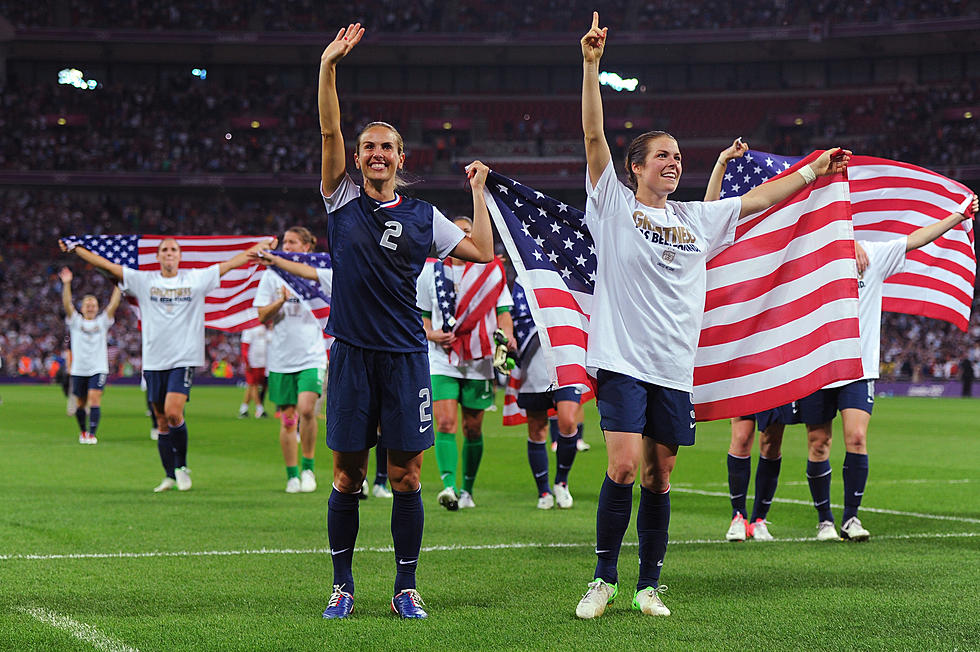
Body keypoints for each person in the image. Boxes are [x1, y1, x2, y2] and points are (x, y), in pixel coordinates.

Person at [574, 12, 851, 620]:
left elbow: (755, 200)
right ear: (635, 168)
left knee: (658, 477)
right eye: (662, 156)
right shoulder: (612, 207)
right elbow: (595, 139)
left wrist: (812, 170)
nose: (674, 162)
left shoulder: (696, 222)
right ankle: (603, 578)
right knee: (622, 467)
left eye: (677, 156)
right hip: (621, 360)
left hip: (675, 369)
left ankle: (649, 584)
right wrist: (592, 64)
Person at [317, 22, 493, 620]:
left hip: (404, 359)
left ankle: (405, 587)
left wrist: (479, 193)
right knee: (346, 477)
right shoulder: (341, 200)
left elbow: (483, 253)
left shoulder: (423, 216)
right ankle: (342, 585)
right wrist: (329, 66)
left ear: (400, 158)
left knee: (408, 478)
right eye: (368, 146)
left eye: (386, 147)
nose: (375, 154)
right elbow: (328, 128)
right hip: (350, 356)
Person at [798, 194, 977, 542]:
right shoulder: (811, 257)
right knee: (818, 442)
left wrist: (958, 214)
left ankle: (851, 519)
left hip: (859, 366)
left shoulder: (873, 254)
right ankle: (824, 521)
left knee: (857, 437)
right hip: (820, 364)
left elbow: (919, 238)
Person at [60, 235, 273, 492]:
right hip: (154, 361)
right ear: (158, 256)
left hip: (183, 358)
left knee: (174, 412)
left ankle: (182, 466)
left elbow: (232, 263)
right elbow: (108, 266)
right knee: (161, 420)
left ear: (180, 256)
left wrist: (258, 248)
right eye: (164, 250)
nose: (169, 253)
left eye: (173, 249)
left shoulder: (195, 278)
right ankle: (169, 475)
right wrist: (77, 249)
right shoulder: (144, 281)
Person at [705, 139, 798, 543]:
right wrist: (723, 163)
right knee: (741, 436)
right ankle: (738, 515)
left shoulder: (784, 248)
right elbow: (707, 215)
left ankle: (760, 517)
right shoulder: (734, 241)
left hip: (775, 349)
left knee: (772, 441)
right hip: (743, 348)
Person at [417, 216, 514, 512]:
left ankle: (468, 489)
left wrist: (506, 336)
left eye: (468, 232)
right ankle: (449, 486)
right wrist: (432, 334)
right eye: (456, 233)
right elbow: (419, 315)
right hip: (441, 358)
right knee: (444, 423)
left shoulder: (489, 272)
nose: (462, 236)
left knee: (473, 428)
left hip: (479, 359)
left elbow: (503, 310)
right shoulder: (429, 272)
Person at [253, 227, 329, 494]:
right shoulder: (272, 276)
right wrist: (280, 302)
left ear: (307, 246)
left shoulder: (318, 275)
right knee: (287, 417)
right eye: (285, 242)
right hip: (282, 358)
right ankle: (292, 475)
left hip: (312, 355)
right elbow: (262, 315)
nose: (287, 245)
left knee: (307, 409)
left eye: (293, 242)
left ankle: (309, 468)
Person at [511, 280, 582, 510]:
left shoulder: (569, 267)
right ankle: (543, 490)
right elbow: (517, 314)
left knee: (568, 421)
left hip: (566, 353)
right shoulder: (524, 277)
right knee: (536, 426)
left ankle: (562, 481)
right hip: (533, 359)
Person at [59, 267, 122, 444]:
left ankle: (92, 433)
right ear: (82, 307)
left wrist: (117, 285)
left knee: (94, 399)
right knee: (80, 402)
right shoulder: (75, 321)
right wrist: (67, 284)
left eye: (93, 305)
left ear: (97, 308)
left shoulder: (102, 322)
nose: (90, 307)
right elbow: (67, 304)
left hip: (98, 367)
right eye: (87, 304)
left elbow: (113, 305)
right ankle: (83, 431)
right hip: (79, 368)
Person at [239, 323, 269, 419]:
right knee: (253, 385)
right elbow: (245, 346)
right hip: (253, 362)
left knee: (252, 386)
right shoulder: (248, 327)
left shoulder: (264, 326)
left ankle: (243, 409)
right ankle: (260, 409)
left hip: (263, 362)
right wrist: (247, 362)